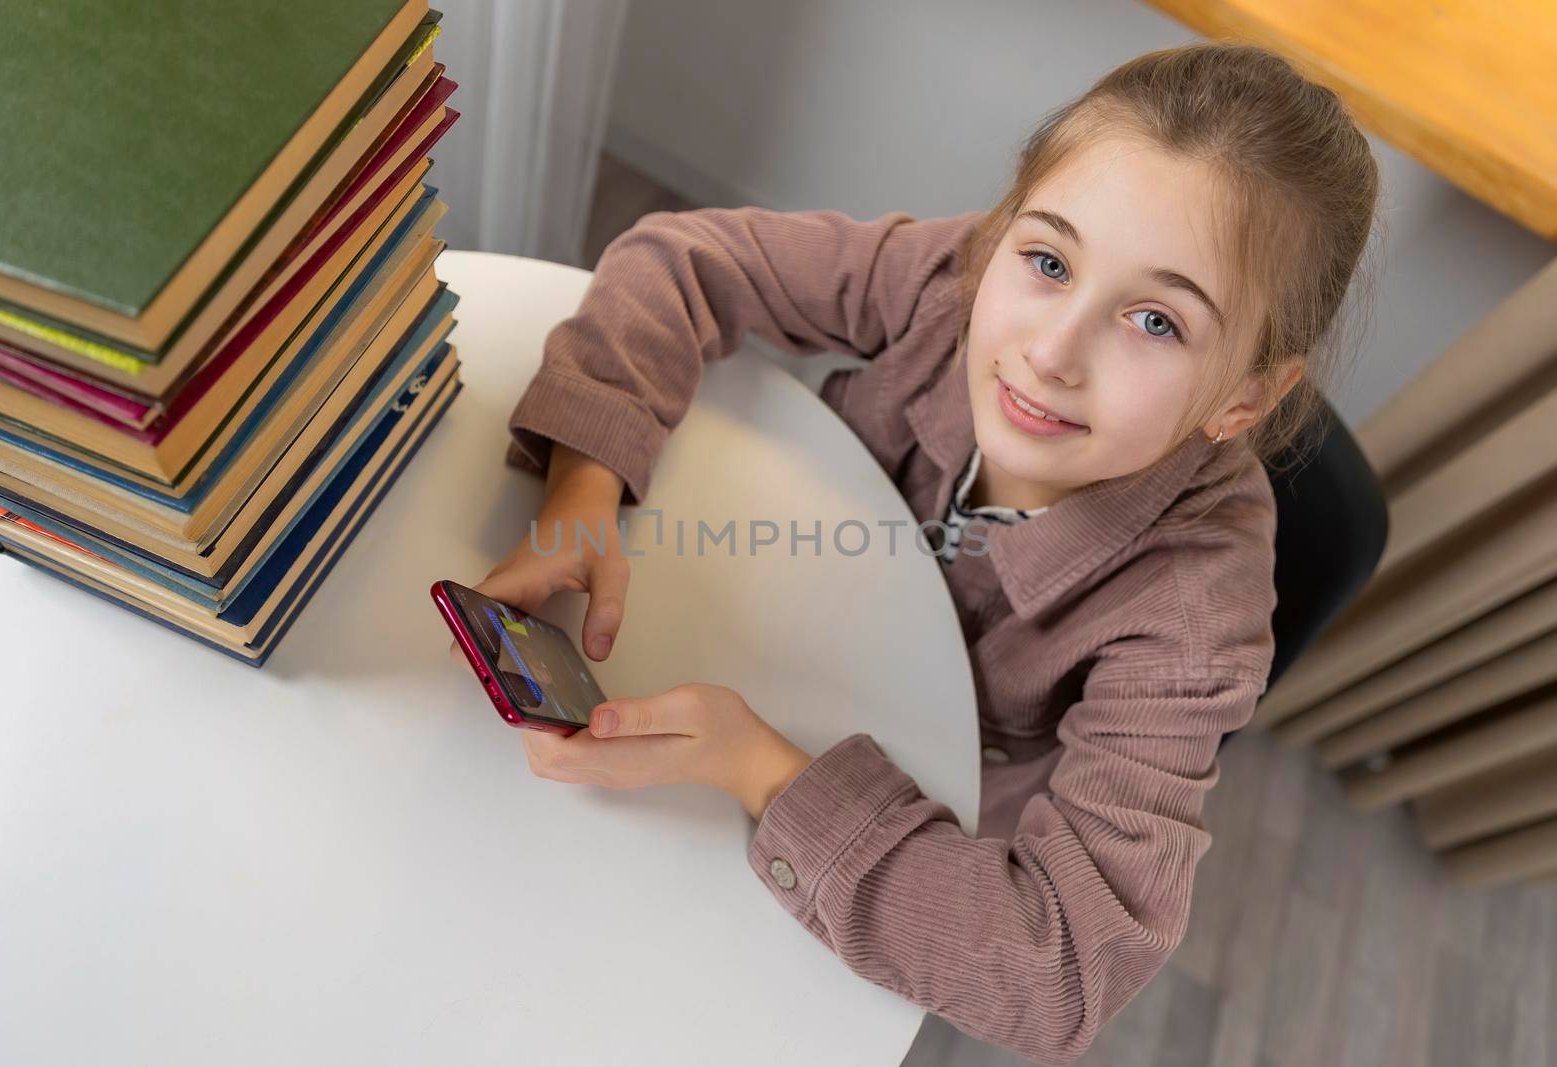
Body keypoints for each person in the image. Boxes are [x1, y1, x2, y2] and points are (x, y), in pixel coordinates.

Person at [454, 41, 1378, 1064]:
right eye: (1048, 260)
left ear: (1246, 397)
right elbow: (685, 260)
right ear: (1001, 235)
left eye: (1154, 320)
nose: (1051, 350)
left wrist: (756, 766)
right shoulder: (954, 280)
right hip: (771, 621)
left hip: (902, 814)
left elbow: (1061, 971)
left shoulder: (1194, 615)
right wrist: (584, 484)